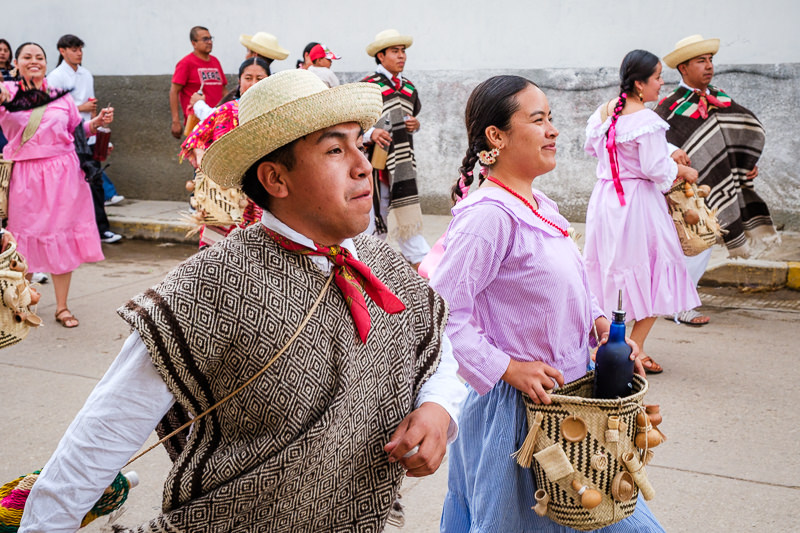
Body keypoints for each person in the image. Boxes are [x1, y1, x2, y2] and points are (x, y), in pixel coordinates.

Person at [19, 69, 465, 532]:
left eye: (358, 143)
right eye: (335, 150)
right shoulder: (211, 286)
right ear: (275, 178)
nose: (362, 165)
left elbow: (435, 347)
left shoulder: (380, 262)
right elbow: (104, 431)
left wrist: (438, 410)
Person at [430, 75, 662, 532]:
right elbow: (440, 312)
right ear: (496, 136)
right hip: (520, 420)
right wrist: (507, 367)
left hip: (573, 403)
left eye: (551, 118)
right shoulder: (489, 217)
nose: (553, 130)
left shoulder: (540, 206)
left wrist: (601, 326)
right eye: (538, 120)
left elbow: (571, 285)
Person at [583, 50, 701, 374]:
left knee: (608, 271)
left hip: (605, 200)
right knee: (656, 270)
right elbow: (655, 169)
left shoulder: (604, 112)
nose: (662, 84)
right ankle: (632, 348)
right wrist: (682, 171)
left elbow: (594, 149)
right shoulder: (647, 121)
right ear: (639, 83)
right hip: (637, 204)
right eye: (658, 77)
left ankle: (609, 346)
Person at [0, 42, 113, 328]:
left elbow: (75, 130)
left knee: (62, 238)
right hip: (26, 175)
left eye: (39, 57)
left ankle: (62, 307)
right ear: (17, 63)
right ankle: (21, 304)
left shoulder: (60, 96)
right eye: (27, 57)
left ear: (46, 63)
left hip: (65, 175)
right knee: (23, 241)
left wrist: (95, 123)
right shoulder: (8, 92)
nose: (34, 61)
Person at [655, 35, 780, 260]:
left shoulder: (719, 97)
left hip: (719, 189)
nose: (709, 66)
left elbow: (739, 133)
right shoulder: (669, 108)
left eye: (710, 60)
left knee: (704, 256)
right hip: (688, 198)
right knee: (691, 255)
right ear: (683, 68)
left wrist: (746, 163)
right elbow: (654, 146)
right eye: (701, 61)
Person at [180, 57, 270, 247]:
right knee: (221, 253)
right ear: (239, 81)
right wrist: (203, 161)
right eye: (248, 78)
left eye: (260, 78)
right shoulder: (226, 111)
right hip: (226, 197)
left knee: (258, 250)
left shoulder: (274, 115)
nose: (253, 83)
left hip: (263, 195)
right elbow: (195, 138)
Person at [362, 29, 429, 270]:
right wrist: (371, 133)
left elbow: (411, 117)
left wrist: (415, 125)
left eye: (403, 51)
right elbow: (355, 123)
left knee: (405, 207)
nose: (401, 56)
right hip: (374, 161)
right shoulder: (368, 86)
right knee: (374, 212)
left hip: (402, 161)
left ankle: (418, 258)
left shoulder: (409, 88)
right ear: (380, 56)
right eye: (394, 51)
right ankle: (369, 259)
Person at [46, 33, 123, 244]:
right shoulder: (55, 77)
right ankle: (69, 232)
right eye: (74, 49)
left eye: (80, 49)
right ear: (62, 51)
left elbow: (92, 111)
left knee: (95, 184)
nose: (78, 53)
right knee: (70, 187)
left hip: (88, 134)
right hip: (67, 138)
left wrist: (101, 137)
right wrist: (81, 107)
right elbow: (53, 110)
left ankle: (101, 230)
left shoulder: (86, 74)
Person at [169, 26, 226, 139]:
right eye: (205, 39)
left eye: (210, 38)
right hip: (197, 124)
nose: (209, 42)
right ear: (194, 43)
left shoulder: (215, 61)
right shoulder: (185, 63)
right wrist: (176, 121)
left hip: (217, 120)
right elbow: (174, 91)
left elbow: (224, 91)